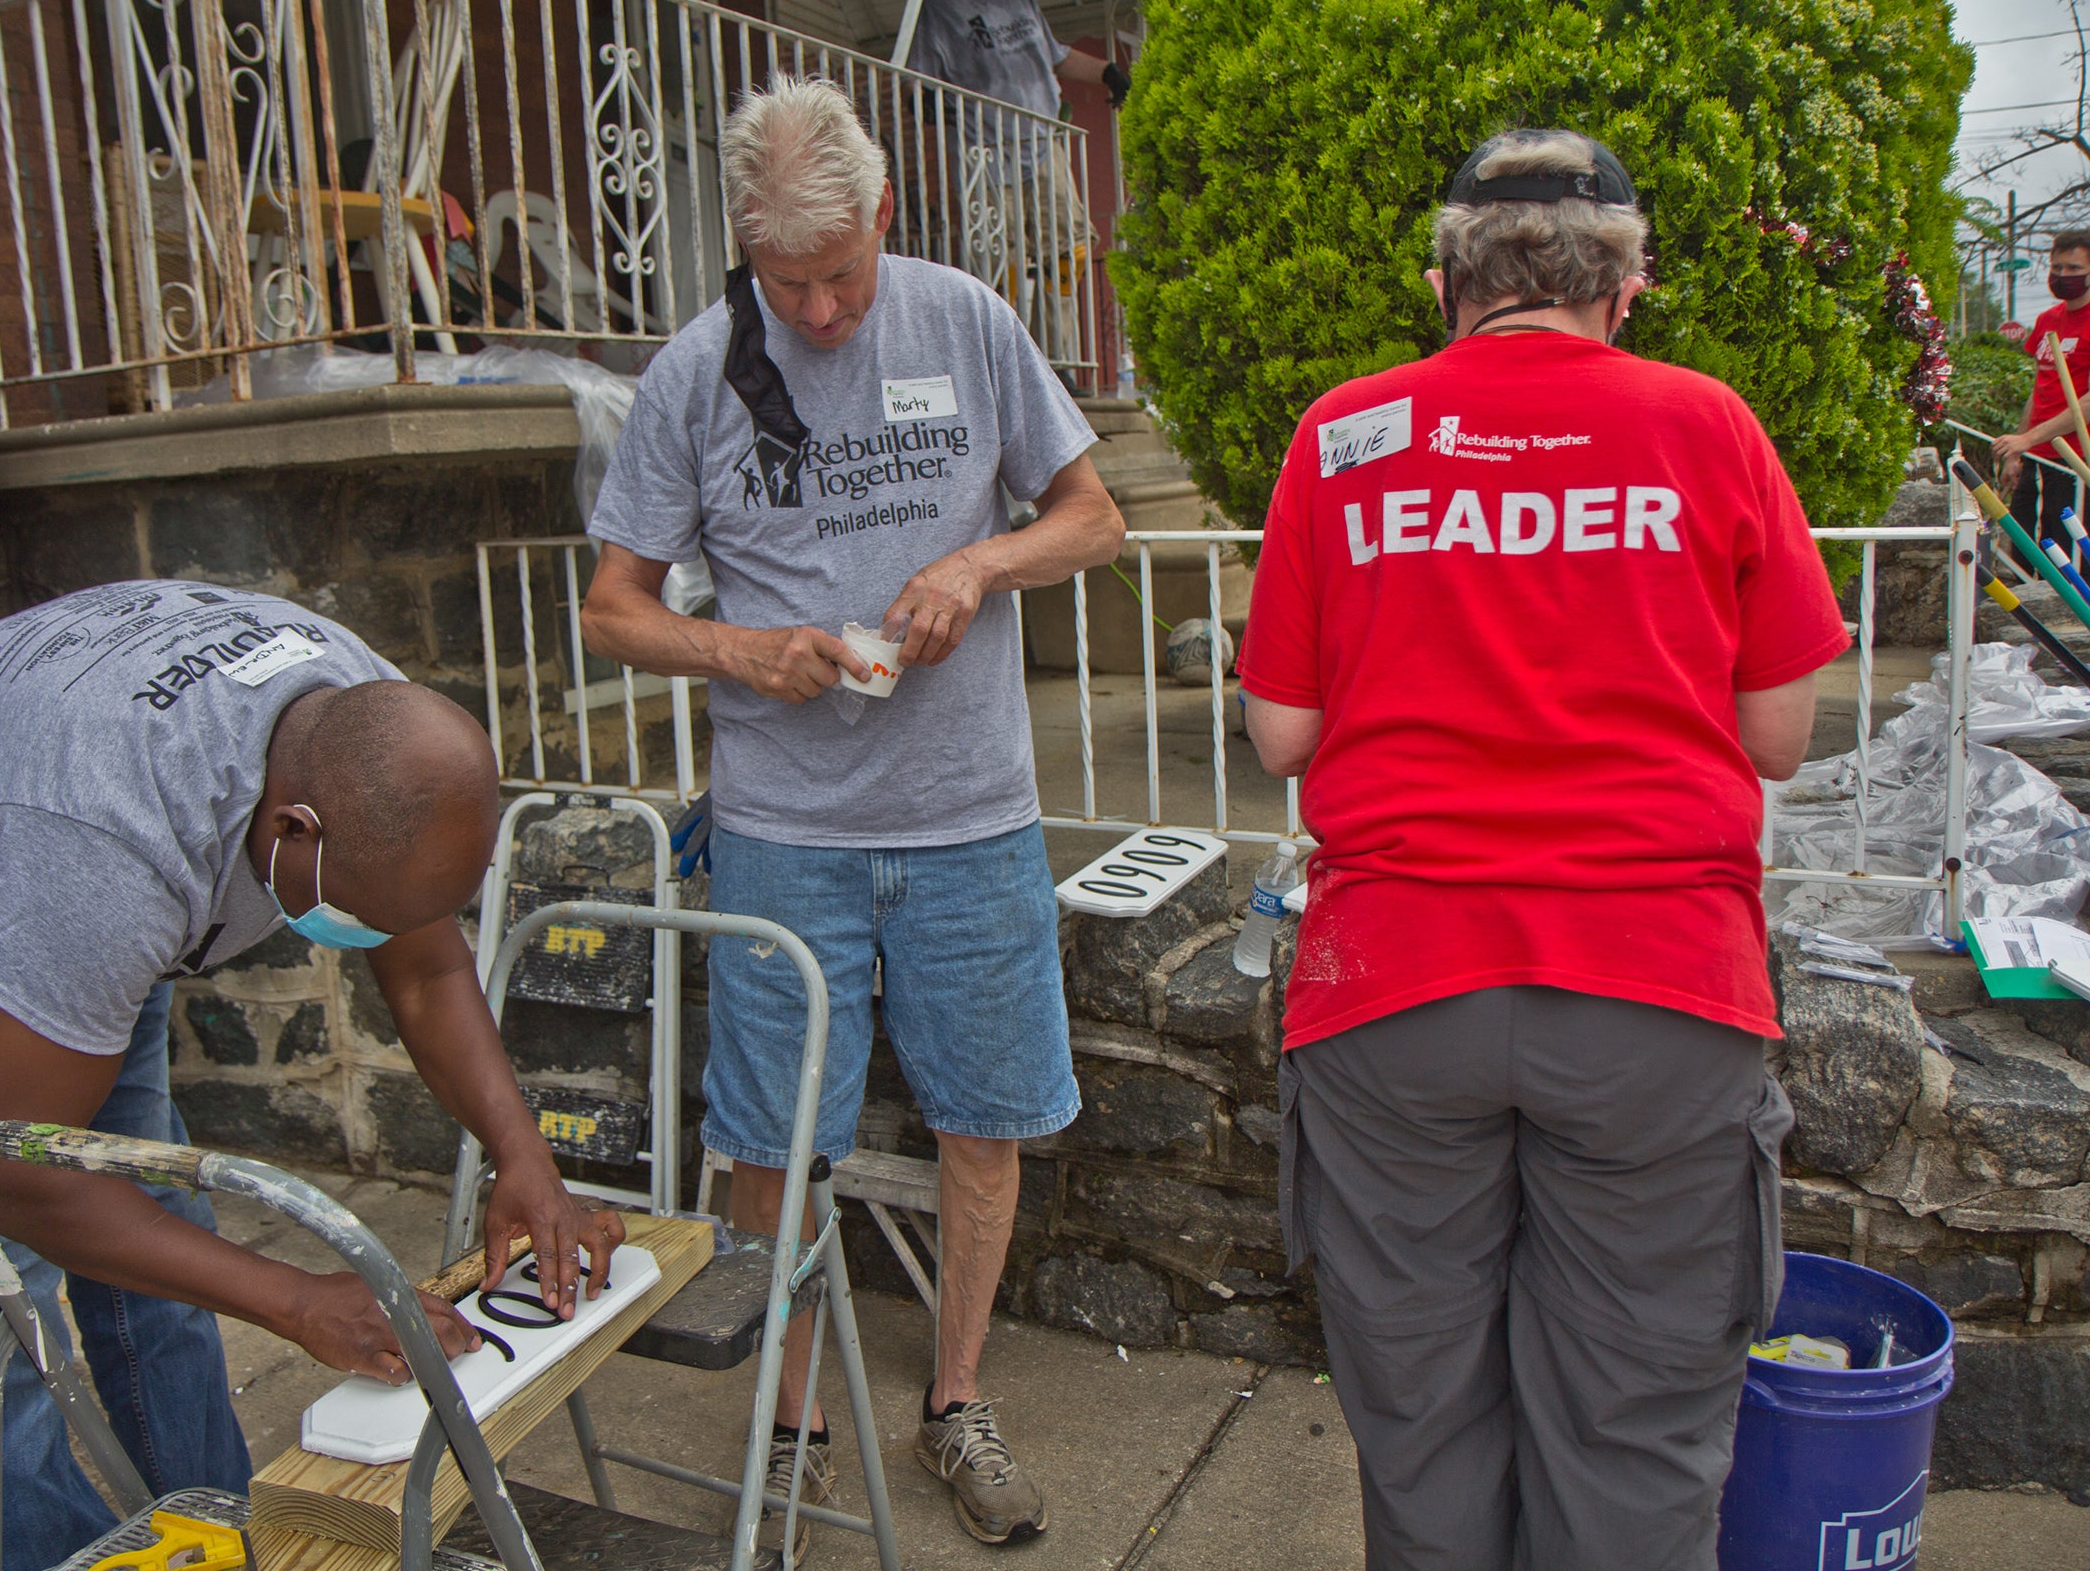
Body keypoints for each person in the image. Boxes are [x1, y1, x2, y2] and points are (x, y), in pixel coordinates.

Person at [0, 581, 625, 1571]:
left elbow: (423, 970)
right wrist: (295, 1299)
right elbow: (13, 1180)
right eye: (362, 913)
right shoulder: (108, 851)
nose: (373, 937)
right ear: (293, 832)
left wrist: (522, 1154)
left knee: (159, 1242)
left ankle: (212, 1539)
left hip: (56, 875)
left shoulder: (372, 721)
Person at [1235, 130, 1846, 1569]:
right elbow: (1778, 734)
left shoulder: (1345, 437)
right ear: (1622, 289)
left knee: (1424, 1425)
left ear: (1446, 283)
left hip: (1396, 994)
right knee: (1634, 1438)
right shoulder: (1709, 428)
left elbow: (1279, 735)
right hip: (1658, 993)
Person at [579, 75, 1123, 1553]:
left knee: (985, 1123)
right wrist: (738, 650)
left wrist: (981, 567)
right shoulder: (698, 372)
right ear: (747, 253)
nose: (820, 313)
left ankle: (955, 1402)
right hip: (784, 828)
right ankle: (800, 1417)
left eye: (840, 277)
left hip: (971, 814)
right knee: (774, 1141)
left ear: (888, 216)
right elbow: (613, 610)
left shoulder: (962, 319)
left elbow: (1097, 515)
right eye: (786, 283)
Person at [906, 0, 1125, 374]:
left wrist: (1107, 71)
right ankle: (1011, 371)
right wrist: (929, 103)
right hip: (984, 157)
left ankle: (1058, 366)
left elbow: (1054, 55)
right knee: (999, 266)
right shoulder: (939, 7)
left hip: (1043, 147)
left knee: (1065, 252)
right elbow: (915, 81)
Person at [1993, 229, 2090, 554]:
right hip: (2036, 456)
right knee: (2022, 553)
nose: (2063, 275)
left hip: (2076, 461)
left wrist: (2028, 440)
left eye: (2074, 269)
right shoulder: (2048, 320)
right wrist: (2018, 451)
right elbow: (2039, 391)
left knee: (2068, 560)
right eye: (2057, 267)